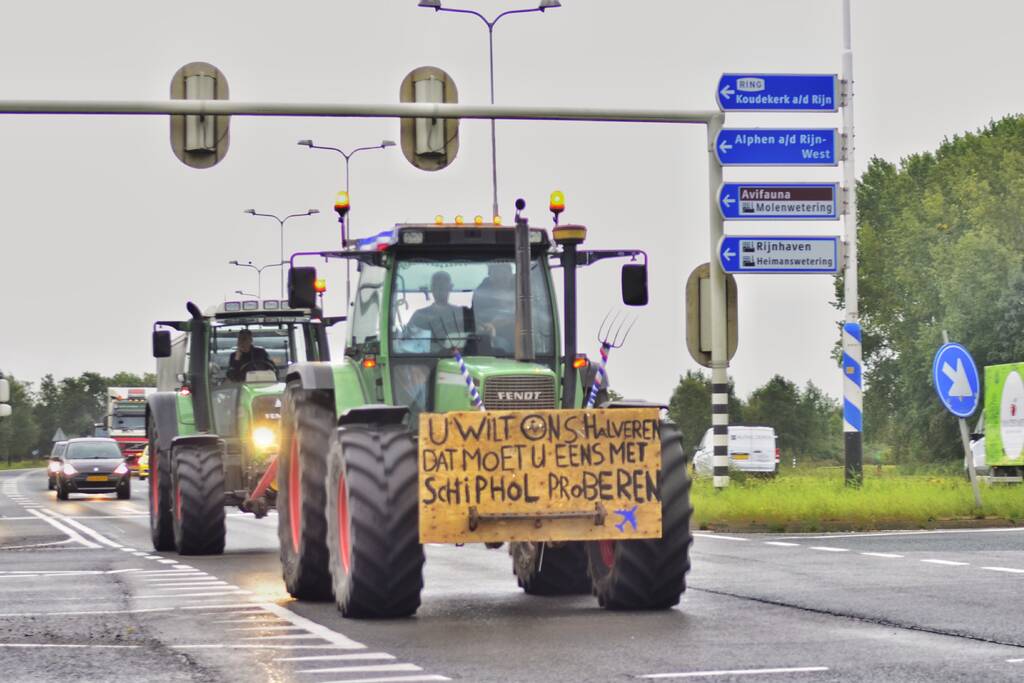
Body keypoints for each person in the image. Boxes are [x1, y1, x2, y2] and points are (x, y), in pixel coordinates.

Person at [407, 271, 465, 351]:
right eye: (437, 286)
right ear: (432, 288)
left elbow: (476, 334)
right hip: (429, 359)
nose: (440, 290)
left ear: (450, 287)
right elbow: (409, 343)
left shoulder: (461, 313)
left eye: (443, 287)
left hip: (459, 358)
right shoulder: (419, 315)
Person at [472, 262, 516, 353]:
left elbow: (525, 317)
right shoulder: (481, 295)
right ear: (490, 275)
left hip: (520, 342)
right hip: (489, 337)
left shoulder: (522, 291)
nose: (501, 277)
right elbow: (475, 319)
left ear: (511, 274)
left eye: (504, 272)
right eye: (497, 273)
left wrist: (494, 324)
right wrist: (486, 327)